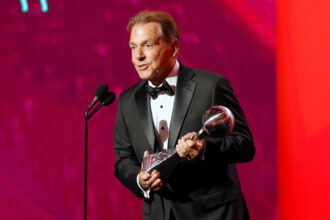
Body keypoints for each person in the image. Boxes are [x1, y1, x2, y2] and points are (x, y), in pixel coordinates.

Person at [113, 10, 255, 220]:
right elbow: (123, 160)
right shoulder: (127, 100)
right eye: (133, 47)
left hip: (213, 214)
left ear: (173, 48)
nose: (138, 56)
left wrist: (204, 149)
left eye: (148, 45)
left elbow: (244, 145)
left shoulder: (211, 86)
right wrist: (139, 180)